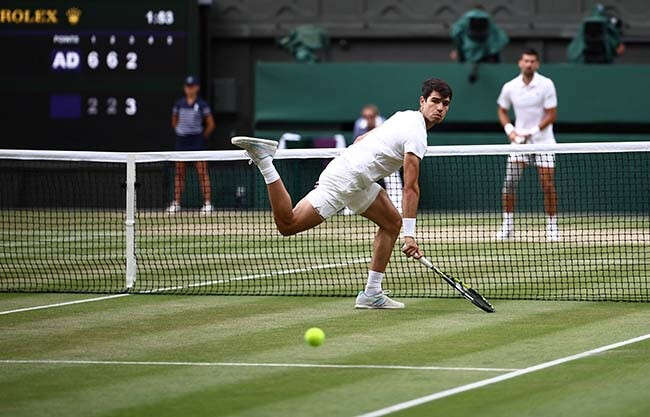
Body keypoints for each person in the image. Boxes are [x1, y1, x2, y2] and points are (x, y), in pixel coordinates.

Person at [232, 78, 452, 309]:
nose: (439, 108)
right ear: (422, 101)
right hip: (345, 179)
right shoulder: (417, 134)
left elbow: (360, 139)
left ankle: (372, 294)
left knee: (391, 223)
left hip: (358, 178)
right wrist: (410, 236)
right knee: (288, 224)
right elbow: (411, 187)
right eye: (435, 101)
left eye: (445, 104)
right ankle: (265, 161)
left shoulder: (403, 115)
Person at [495, 49, 559, 241]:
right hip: (519, 143)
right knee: (509, 185)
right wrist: (510, 131)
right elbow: (502, 110)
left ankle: (551, 227)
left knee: (547, 184)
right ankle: (507, 226)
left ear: (537, 64)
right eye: (526, 61)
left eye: (532, 61)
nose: (529, 64)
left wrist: (532, 132)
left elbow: (551, 114)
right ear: (520, 63)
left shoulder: (546, 84)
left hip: (544, 142)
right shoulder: (510, 87)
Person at [167, 76, 216, 214]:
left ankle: (207, 204)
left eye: (192, 86)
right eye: (188, 86)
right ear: (185, 88)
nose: (190, 89)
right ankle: (176, 203)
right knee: (179, 174)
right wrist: (181, 131)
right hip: (182, 142)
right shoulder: (179, 104)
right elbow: (174, 121)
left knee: (202, 173)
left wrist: (201, 137)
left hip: (197, 142)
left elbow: (211, 124)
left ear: (197, 88)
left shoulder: (202, 104)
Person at [351, 104, 402, 215]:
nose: (368, 119)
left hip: (386, 159)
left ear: (375, 116)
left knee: (393, 180)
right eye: (365, 116)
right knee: (355, 178)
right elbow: (356, 143)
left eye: (370, 116)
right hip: (366, 159)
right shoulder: (359, 124)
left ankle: (398, 207)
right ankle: (350, 208)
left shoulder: (384, 123)